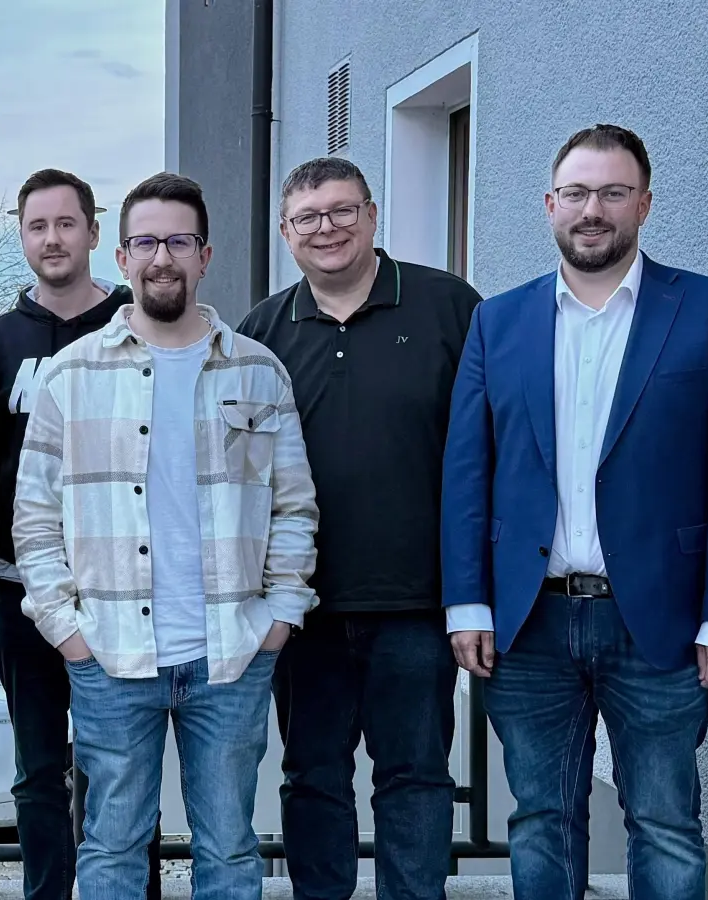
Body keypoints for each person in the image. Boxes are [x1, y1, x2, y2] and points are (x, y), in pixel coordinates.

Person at [442, 123, 708, 900]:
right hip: (529, 622)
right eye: (579, 193)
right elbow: (467, 473)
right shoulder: (499, 321)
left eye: (614, 193)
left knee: (664, 820)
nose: (594, 209)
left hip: (656, 618)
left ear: (645, 205)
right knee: (539, 819)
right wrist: (468, 602)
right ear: (550, 205)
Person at [11, 172, 319, 900]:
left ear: (205, 255)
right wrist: (66, 630)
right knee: (113, 848)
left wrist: (278, 618)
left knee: (231, 849)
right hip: (111, 655)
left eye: (178, 241)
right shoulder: (70, 375)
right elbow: (34, 517)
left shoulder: (257, 371)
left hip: (231, 653)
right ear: (121, 257)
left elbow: (295, 506)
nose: (162, 257)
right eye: (145, 241)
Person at [236, 156, 479, 900]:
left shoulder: (448, 307)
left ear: (373, 216)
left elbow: (488, 448)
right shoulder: (262, 331)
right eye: (308, 218)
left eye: (343, 211)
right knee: (312, 778)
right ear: (285, 233)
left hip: (417, 602)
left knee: (415, 778)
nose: (327, 229)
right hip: (302, 608)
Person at [0, 167, 162, 900]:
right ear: (21, 235)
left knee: (121, 764)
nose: (52, 239)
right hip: (24, 587)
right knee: (36, 771)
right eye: (36, 225)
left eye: (66, 223)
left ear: (95, 231)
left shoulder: (136, 322)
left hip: (126, 587)